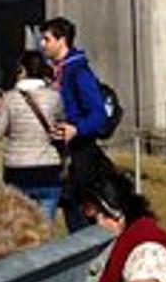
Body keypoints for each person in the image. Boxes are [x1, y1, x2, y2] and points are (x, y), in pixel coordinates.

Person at [41, 17, 114, 229]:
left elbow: (98, 113)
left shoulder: (79, 72)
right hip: (59, 152)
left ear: (62, 40)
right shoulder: (55, 71)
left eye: (47, 39)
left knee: (79, 219)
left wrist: (77, 128)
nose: (42, 45)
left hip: (80, 153)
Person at [0, 50, 66, 220]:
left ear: (22, 70)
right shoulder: (54, 97)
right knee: (45, 232)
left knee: (19, 232)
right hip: (48, 168)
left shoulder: (9, 99)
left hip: (18, 169)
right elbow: (61, 124)